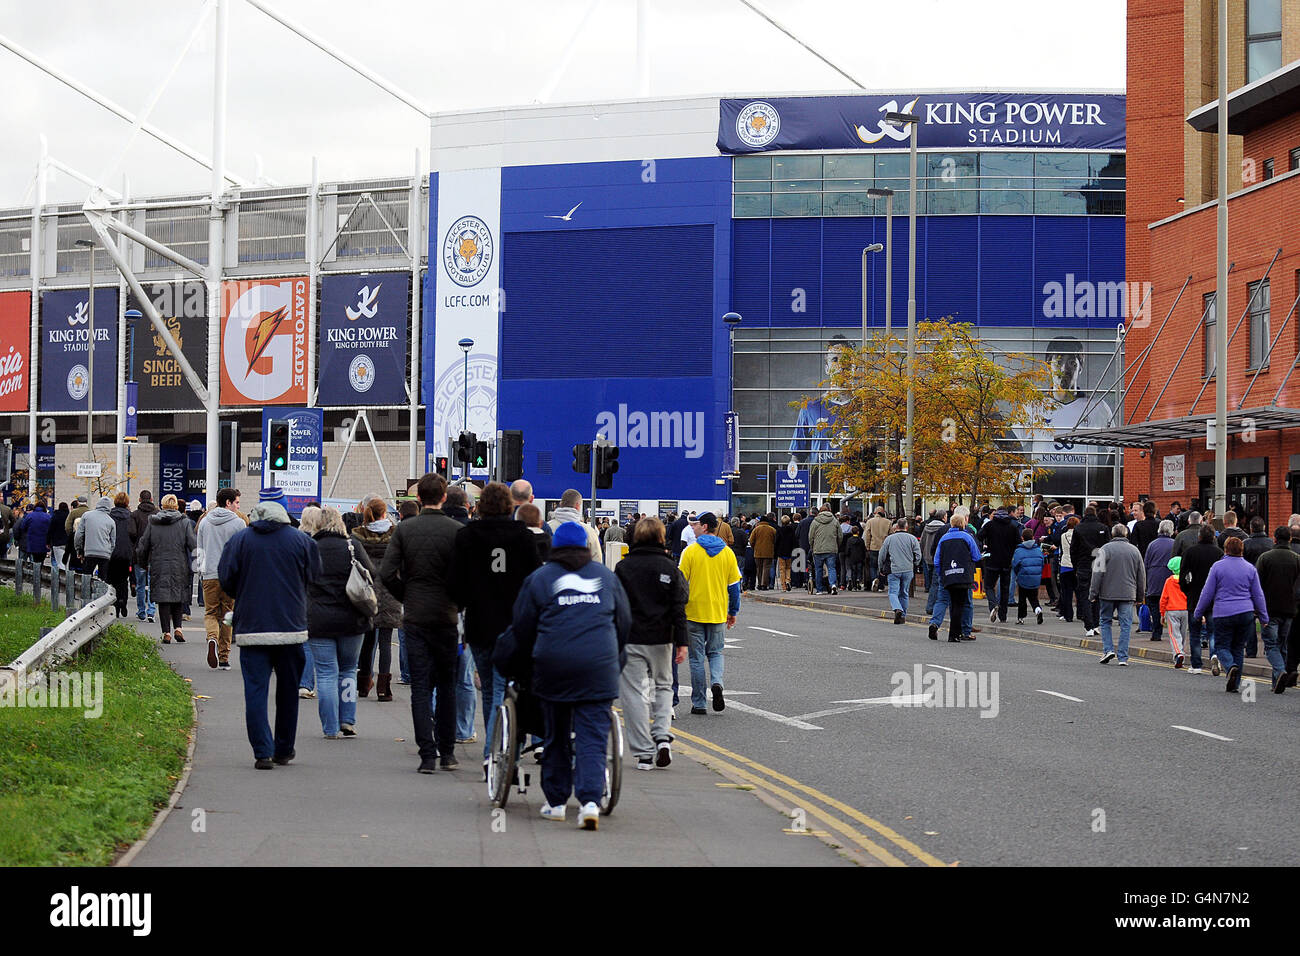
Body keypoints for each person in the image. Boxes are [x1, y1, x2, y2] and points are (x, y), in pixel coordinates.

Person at [499, 521, 631, 829]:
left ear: (554, 547)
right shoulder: (605, 577)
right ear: (586, 547)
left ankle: (556, 802)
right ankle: (589, 803)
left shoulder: (540, 578)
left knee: (555, 733)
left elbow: (522, 627)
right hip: (598, 668)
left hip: (553, 667)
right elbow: (623, 624)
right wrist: (612, 654)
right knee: (593, 737)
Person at [218, 486, 322, 769]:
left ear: (259, 508)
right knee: (288, 692)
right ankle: (284, 748)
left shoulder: (241, 541)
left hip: (252, 628)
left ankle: (262, 751)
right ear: (285, 508)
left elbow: (226, 579)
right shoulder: (301, 541)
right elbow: (315, 577)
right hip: (291, 628)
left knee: (255, 691)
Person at [448, 481, 542, 775]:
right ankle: (498, 753)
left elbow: (456, 585)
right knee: (507, 689)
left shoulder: (467, 537)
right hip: (514, 626)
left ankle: (495, 749)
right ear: (510, 504)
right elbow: (535, 583)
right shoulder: (524, 537)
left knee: (490, 688)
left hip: (480, 623)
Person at [379, 473, 463, 773]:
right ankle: (448, 752)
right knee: (447, 685)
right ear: (443, 497)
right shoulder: (455, 531)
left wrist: (407, 596)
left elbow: (387, 573)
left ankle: (427, 754)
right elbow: (463, 577)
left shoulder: (405, 530)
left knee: (421, 688)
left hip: (415, 616)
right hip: (445, 616)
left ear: (418, 499)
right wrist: (456, 602)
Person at [615, 517, 688, 771]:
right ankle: (662, 736)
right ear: (660, 537)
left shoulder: (623, 568)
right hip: (662, 638)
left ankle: (644, 753)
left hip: (631, 637)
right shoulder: (669, 567)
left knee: (634, 694)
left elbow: (616, 606)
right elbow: (679, 606)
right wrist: (682, 641)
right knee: (664, 686)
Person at [301, 505, 375, 739]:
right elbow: (370, 573)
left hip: (319, 620)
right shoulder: (352, 547)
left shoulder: (310, 547)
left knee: (325, 674)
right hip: (352, 619)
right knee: (348, 671)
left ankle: (330, 727)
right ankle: (348, 720)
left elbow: (301, 580)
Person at [678, 512, 741, 715]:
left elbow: (680, 584)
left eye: (695, 525)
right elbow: (734, 587)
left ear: (705, 527)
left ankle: (699, 703)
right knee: (715, 653)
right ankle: (717, 682)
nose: (692, 528)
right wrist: (733, 611)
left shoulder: (690, 552)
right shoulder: (728, 553)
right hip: (718, 611)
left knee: (696, 659)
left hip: (693, 611)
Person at [1194, 535, 1268, 693]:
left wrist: (1198, 611)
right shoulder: (1250, 568)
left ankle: (1230, 666)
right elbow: (1258, 595)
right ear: (1242, 550)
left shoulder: (1217, 567)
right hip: (1246, 612)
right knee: (1238, 648)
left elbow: (1207, 592)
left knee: (1221, 646)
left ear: (1225, 549)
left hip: (1223, 613)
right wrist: (1263, 617)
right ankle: (1234, 684)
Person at [352, 497, 402, 701]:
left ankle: (363, 683)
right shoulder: (396, 534)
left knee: (367, 641)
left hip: (366, 591)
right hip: (389, 591)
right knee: (385, 642)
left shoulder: (358, 535)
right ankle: (384, 688)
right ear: (385, 513)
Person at [136, 494, 198, 645]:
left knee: (163, 599)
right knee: (178, 597)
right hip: (179, 564)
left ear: (162, 505)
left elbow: (143, 546)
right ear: (176, 505)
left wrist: (143, 563)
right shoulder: (183, 522)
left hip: (159, 564)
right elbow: (192, 543)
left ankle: (166, 632)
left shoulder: (153, 522)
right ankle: (178, 628)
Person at [197, 487, 246, 671]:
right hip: (230, 576)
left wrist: (201, 572)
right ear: (228, 503)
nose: (238, 506)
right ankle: (224, 657)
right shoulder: (239, 524)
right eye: (237, 502)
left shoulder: (204, 522)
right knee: (227, 615)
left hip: (209, 574)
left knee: (210, 613)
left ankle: (211, 638)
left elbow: (199, 549)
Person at [1089, 524, 1145, 666]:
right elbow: (1141, 576)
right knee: (1126, 625)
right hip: (1128, 593)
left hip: (1107, 593)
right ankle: (1123, 657)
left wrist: (1093, 593)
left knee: (1105, 621)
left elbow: (1097, 573)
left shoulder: (1104, 549)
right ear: (1126, 535)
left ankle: (1108, 650)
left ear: (1112, 535)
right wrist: (1140, 596)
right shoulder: (1135, 550)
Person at [1254, 527, 1300, 693]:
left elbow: (1257, 586)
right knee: (1282, 644)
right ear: (1289, 540)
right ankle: (1276, 684)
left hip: (1270, 609)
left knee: (1271, 645)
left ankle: (1280, 671)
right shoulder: (1297, 559)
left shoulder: (1265, 558)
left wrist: (1256, 608)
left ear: (1274, 539)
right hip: (1289, 609)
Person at [930, 512, 981, 643]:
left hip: (947, 575)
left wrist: (941, 573)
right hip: (963, 576)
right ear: (963, 523)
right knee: (960, 605)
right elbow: (977, 556)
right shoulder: (967, 537)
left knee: (942, 601)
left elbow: (936, 560)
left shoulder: (944, 538)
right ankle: (955, 634)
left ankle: (935, 624)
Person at [1180, 524, 1223, 674]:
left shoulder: (1190, 552)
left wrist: (1187, 589)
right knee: (1213, 631)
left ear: (1199, 536)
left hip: (1195, 596)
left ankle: (1196, 665)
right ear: (1213, 537)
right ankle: (1214, 655)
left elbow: (1183, 575)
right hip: (1214, 598)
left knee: (1195, 632)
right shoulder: (1219, 553)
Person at [978, 507, 1021, 624]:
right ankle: (1003, 616)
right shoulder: (1012, 526)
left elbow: (979, 536)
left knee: (988, 586)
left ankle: (993, 605)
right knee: (1005, 589)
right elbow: (1018, 542)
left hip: (992, 560)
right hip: (1007, 561)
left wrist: (985, 545)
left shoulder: (990, 525)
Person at [1070, 506, 1108, 636]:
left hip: (1083, 564)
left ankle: (1089, 626)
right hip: (1099, 564)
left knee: (1084, 596)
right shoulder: (1103, 528)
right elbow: (1107, 548)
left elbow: (1073, 550)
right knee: (1097, 595)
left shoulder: (1078, 528)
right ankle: (1097, 624)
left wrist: (1075, 567)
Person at [881, 518, 922, 624]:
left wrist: (880, 567)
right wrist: (915, 564)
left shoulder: (889, 539)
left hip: (894, 569)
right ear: (906, 527)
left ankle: (897, 608)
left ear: (896, 527)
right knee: (904, 593)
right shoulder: (912, 539)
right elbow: (918, 555)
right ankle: (903, 616)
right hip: (908, 569)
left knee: (893, 592)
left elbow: (882, 555)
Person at [1143, 519, 1176, 646]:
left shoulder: (1152, 544)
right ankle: (1174, 632)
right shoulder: (1174, 543)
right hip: (1170, 578)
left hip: (1154, 579)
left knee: (1155, 606)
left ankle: (1156, 632)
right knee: (1171, 606)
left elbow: (1146, 563)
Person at [546, 489, 602, 561]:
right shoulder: (589, 531)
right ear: (577, 506)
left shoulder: (548, 528)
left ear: (561, 504)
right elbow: (597, 559)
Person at [129, 490, 158, 623]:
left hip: (139, 553)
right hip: (154, 553)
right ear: (151, 499)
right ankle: (151, 611)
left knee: (140, 584)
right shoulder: (157, 514)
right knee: (152, 583)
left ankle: (141, 611)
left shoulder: (134, 515)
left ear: (140, 500)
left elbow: (132, 533)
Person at [73, 495, 116, 580]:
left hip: (89, 552)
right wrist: (109, 553)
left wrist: (79, 549)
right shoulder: (111, 521)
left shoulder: (87, 516)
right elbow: (113, 542)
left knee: (86, 578)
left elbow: (79, 535)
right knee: (103, 580)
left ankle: (86, 592)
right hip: (104, 554)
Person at [106, 492, 134, 617]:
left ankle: (114, 604)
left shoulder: (109, 516)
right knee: (123, 580)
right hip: (127, 554)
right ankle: (123, 601)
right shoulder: (131, 517)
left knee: (111, 580)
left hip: (111, 553)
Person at [1010, 528, 1046, 625]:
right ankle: (1037, 609)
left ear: (1022, 538)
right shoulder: (1038, 549)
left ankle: (1021, 618)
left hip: (1023, 577)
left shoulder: (1019, 550)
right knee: (1034, 597)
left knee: (1022, 599)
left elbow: (1015, 565)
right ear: (1033, 537)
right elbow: (1042, 563)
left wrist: (1018, 574)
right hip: (1035, 577)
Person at [808, 504, 841, 595]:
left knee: (818, 569)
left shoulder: (815, 521)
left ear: (820, 511)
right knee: (831, 568)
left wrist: (812, 546)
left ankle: (819, 589)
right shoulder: (835, 521)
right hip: (831, 549)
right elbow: (840, 536)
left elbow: (811, 536)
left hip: (818, 549)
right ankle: (833, 585)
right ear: (829, 510)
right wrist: (837, 545)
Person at [14, 499, 51, 575]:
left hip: (32, 543)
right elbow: (51, 529)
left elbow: (23, 527)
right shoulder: (48, 516)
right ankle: (39, 575)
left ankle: (34, 576)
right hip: (44, 543)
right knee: (41, 560)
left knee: (34, 560)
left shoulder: (30, 516)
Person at [864, 507, 891, 591]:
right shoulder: (888, 522)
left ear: (875, 512)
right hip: (884, 547)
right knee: (882, 566)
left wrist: (867, 546)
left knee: (873, 566)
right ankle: (881, 585)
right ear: (883, 513)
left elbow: (867, 535)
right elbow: (891, 535)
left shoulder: (870, 522)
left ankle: (874, 580)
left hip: (873, 546)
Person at [750, 514, 776, 590]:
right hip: (769, 552)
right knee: (766, 568)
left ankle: (759, 584)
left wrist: (754, 547)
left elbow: (751, 541)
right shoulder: (772, 529)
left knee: (759, 568)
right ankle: (764, 584)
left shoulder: (756, 529)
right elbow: (775, 540)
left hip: (758, 552)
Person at [48, 501, 69, 583]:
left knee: (59, 562)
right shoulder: (69, 516)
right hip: (67, 543)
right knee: (66, 562)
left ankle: (59, 580)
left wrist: (48, 542)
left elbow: (50, 530)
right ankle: (67, 578)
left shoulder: (55, 516)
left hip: (57, 542)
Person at [844, 526, 867, 593]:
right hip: (860, 558)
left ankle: (854, 586)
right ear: (858, 532)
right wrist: (863, 557)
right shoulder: (861, 540)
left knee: (853, 571)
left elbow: (847, 549)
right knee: (859, 570)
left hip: (852, 558)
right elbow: (863, 550)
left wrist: (847, 555)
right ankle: (858, 580)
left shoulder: (849, 540)